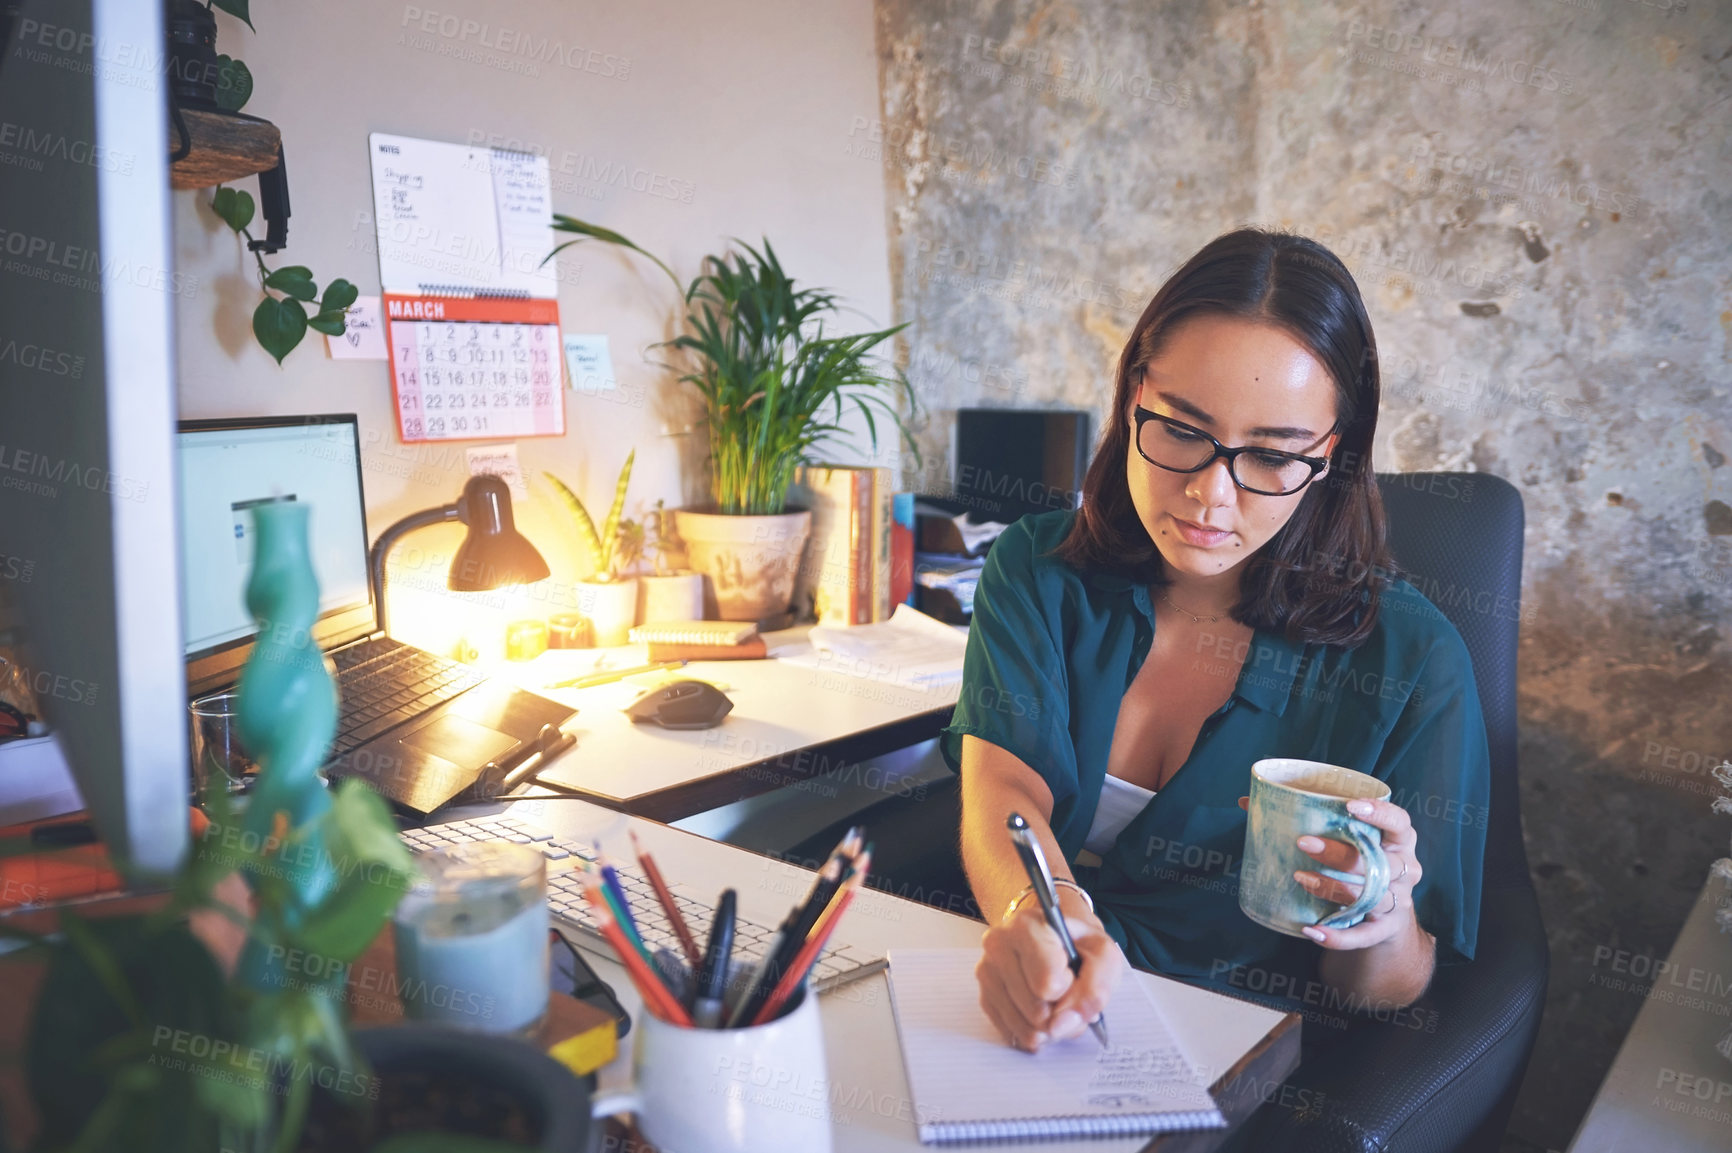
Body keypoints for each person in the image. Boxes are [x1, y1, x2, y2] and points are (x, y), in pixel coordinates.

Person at [945, 228, 1491, 1052]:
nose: (1210, 495)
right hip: (1034, 1005)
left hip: (1232, 1045)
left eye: (1271, 456)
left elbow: (1384, 993)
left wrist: (1380, 918)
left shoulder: (1413, 661)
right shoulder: (1038, 568)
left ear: (1330, 457)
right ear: (1133, 397)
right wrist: (1043, 916)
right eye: (1182, 430)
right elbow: (1004, 794)